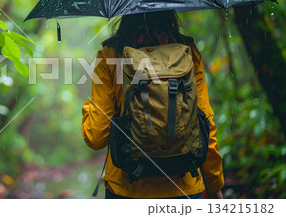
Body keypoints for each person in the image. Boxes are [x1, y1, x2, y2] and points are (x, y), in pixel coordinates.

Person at [81, 11, 224, 199]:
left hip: (127, 189)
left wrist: (90, 105)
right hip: (183, 186)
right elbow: (204, 123)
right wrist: (214, 184)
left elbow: (96, 136)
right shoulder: (188, 52)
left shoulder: (110, 56)